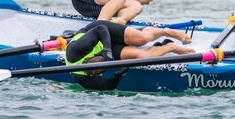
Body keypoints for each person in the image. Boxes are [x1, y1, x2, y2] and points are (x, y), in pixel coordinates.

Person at [64, 19, 195, 90]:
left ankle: (166, 32)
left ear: (89, 58)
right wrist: (118, 76)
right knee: (143, 57)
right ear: (93, 74)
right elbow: (106, 87)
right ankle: (169, 46)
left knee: (141, 39)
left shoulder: (77, 49)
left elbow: (100, 29)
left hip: (101, 32)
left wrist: (107, 50)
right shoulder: (84, 79)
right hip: (107, 52)